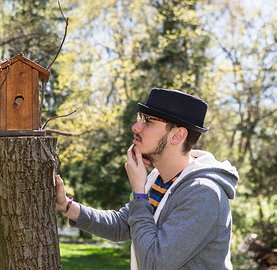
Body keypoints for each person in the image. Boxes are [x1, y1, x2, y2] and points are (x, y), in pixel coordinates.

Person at [56, 88, 239, 270]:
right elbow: (123, 224)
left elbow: (154, 263)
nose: (136, 127)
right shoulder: (159, 179)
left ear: (177, 135)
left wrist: (139, 192)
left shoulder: (203, 193)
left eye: (148, 121)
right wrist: (66, 206)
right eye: (140, 118)